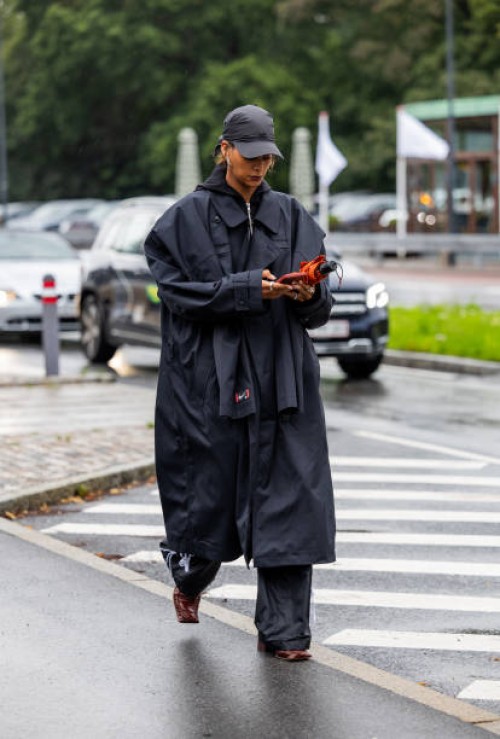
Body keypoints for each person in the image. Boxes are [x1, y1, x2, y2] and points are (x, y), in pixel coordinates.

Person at [144, 104, 336, 662]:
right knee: (208, 504)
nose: (259, 168)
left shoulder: (292, 214)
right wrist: (251, 289)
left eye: (267, 159)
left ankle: (285, 634)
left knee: (290, 502)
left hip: (284, 383)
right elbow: (179, 295)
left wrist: (308, 294)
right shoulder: (182, 220)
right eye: (250, 157)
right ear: (224, 149)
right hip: (210, 384)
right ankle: (189, 576)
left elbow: (321, 303)